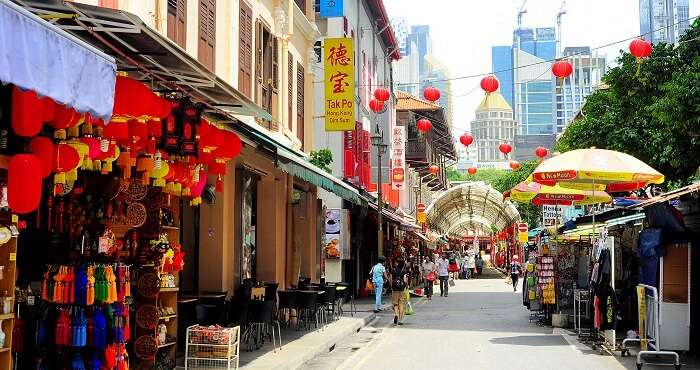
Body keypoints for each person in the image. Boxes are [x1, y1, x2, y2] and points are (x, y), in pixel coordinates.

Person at [390, 257, 409, 325]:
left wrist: (391, 287)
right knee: (401, 303)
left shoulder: (393, 270)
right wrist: (406, 286)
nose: (395, 263)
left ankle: (396, 314)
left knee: (395, 303)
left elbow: (391, 280)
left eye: (395, 262)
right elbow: (404, 280)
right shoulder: (403, 271)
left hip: (395, 289)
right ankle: (400, 319)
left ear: (397, 263)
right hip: (401, 289)